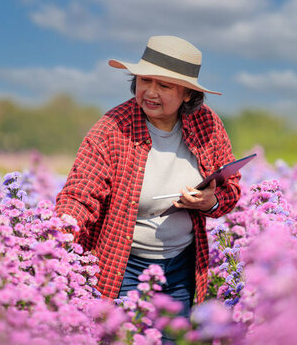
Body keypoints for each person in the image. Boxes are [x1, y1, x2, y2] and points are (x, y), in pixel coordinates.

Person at [55, 35, 241, 317]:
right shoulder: (112, 127)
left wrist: (208, 202)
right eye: (144, 81)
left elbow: (230, 189)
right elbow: (81, 193)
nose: (150, 92)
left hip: (182, 266)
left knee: (171, 336)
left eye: (164, 85)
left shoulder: (208, 124)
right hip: (123, 265)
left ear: (188, 94)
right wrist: (58, 234)